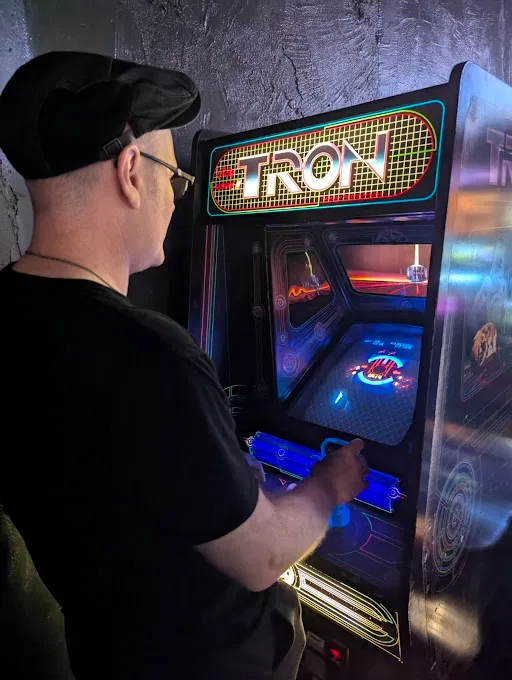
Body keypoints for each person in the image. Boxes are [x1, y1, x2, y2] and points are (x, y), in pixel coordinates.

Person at [0, 52, 368, 680]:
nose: (175, 197)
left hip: (104, 651)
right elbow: (260, 559)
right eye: (173, 175)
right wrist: (330, 484)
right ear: (130, 173)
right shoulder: (150, 354)